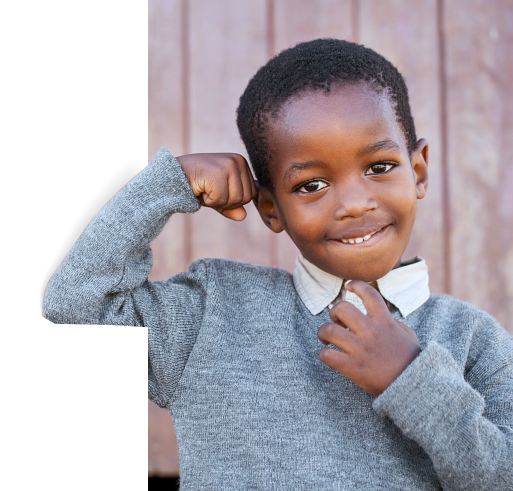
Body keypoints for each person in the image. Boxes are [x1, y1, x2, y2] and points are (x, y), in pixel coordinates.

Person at [43, 39, 512, 490]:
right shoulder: (212, 315)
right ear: (271, 208)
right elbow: (74, 304)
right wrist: (165, 186)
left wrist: (411, 378)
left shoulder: (473, 339)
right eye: (311, 185)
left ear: (420, 171)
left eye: (379, 167)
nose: (353, 203)